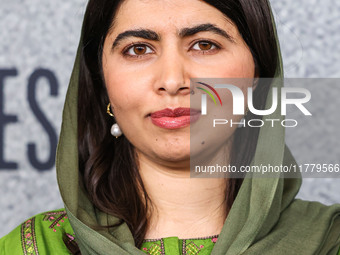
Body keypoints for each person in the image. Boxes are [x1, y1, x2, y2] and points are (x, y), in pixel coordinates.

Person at [1, 0, 340, 254]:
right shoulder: (35, 247)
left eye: (204, 44)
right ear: (102, 81)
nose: (173, 81)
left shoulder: (329, 241)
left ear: (258, 73)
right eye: (138, 49)